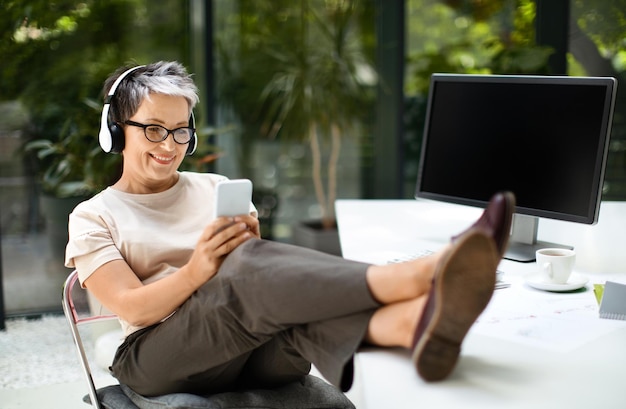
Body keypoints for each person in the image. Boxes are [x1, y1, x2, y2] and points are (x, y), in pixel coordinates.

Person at [65, 61, 516, 398]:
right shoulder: (93, 216)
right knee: (244, 267)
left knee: (286, 302)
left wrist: (247, 250)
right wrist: (200, 269)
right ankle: (418, 274)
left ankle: (412, 327)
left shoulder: (215, 188)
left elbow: (258, 288)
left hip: (242, 349)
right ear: (117, 131)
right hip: (158, 358)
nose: (170, 146)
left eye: (181, 131)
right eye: (155, 130)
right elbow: (134, 309)